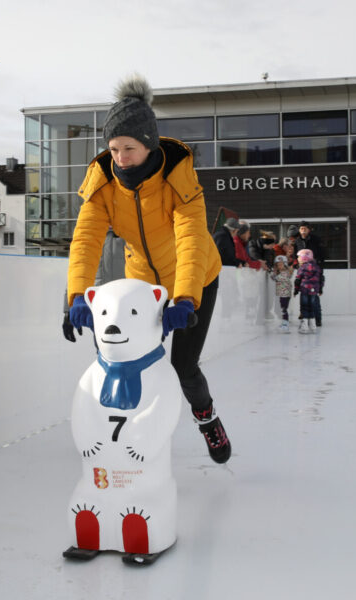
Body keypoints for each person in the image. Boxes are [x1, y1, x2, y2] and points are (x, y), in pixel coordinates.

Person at [67, 74, 231, 464]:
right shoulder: (103, 182)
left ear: (148, 144)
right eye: (113, 148)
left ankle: (207, 418)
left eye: (128, 148)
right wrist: (75, 295)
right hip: (143, 284)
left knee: (183, 367)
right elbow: (86, 240)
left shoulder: (178, 177)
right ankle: (133, 437)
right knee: (130, 363)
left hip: (196, 278)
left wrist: (186, 299)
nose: (120, 158)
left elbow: (191, 238)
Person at [63, 229, 125, 342]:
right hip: (99, 311)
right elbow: (76, 275)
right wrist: (68, 310)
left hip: (127, 310)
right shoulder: (87, 237)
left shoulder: (131, 234)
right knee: (104, 350)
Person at [293, 221, 326, 326]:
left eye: (305, 228)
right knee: (304, 297)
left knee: (314, 297)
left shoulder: (316, 239)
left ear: (309, 229)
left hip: (315, 270)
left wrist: (317, 264)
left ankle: (317, 319)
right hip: (303, 271)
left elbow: (323, 253)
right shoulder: (297, 241)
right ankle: (304, 317)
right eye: (301, 228)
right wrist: (297, 264)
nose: (303, 230)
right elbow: (295, 255)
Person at [294, 249, 322, 333]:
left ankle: (304, 327)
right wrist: (320, 289)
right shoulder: (317, 267)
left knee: (304, 306)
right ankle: (313, 327)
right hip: (314, 291)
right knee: (312, 307)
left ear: (304, 258)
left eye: (299, 257)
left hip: (305, 290)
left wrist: (296, 290)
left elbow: (298, 279)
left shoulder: (302, 267)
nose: (298, 258)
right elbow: (321, 279)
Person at [270, 255, 294, 333]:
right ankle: (284, 323)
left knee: (284, 309)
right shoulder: (281, 272)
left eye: (281, 264)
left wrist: (273, 274)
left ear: (285, 264)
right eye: (277, 264)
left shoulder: (285, 273)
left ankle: (285, 326)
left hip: (285, 294)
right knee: (283, 309)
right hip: (282, 294)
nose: (279, 266)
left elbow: (277, 278)